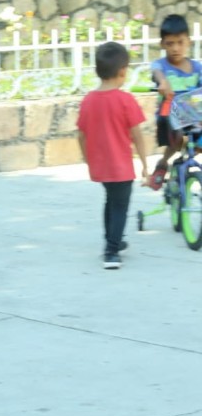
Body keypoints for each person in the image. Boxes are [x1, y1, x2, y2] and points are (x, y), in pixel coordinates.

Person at [77, 41, 148, 270]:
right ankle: (111, 251)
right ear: (122, 71)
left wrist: (87, 159)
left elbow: (81, 135)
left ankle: (113, 239)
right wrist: (146, 164)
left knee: (111, 201)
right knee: (120, 206)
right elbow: (137, 135)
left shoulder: (88, 100)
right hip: (121, 166)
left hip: (101, 166)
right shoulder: (126, 100)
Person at [147, 14, 202, 190]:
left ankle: (184, 160)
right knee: (177, 138)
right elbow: (157, 73)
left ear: (189, 42)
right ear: (162, 44)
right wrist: (163, 82)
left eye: (180, 42)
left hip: (193, 115)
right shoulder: (161, 66)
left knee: (198, 142)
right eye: (170, 44)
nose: (175, 48)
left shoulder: (197, 68)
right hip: (170, 114)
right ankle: (163, 162)